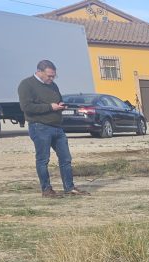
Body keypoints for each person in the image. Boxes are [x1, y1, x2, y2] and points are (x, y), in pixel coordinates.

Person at [17, 60, 89, 198]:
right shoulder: (26, 84)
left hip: (57, 127)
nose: (51, 79)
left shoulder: (53, 85)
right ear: (39, 71)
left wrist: (61, 105)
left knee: (66, 158)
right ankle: (47, 190)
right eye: (49, 76)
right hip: (39, 127)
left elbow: (57, 100)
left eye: (54, 76)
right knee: (43, 160)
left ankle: (69, 187)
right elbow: (26, 108)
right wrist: (50, 107)